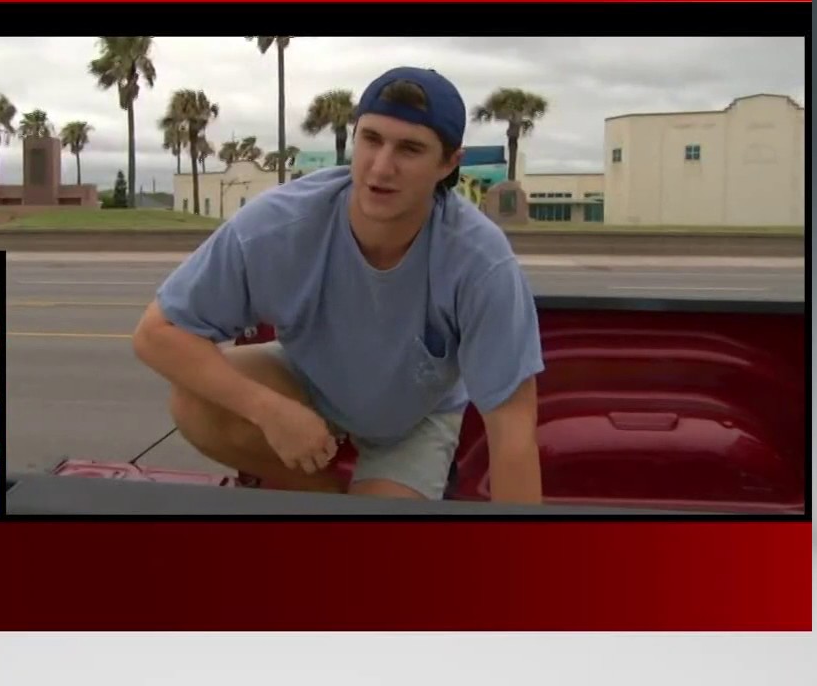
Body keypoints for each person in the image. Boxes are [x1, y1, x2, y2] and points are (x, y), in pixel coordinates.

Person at [131, 66, 544, 502]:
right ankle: (321, 495)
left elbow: (513, 435)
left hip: (414, 419)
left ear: (447, 164)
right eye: (371, 139)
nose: (381, 167)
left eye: (409, 149)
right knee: (195, 400)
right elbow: (156, 333)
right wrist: (268, 409)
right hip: (309, 379)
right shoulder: (278, 225)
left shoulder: (480, 262)